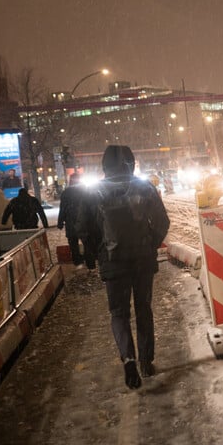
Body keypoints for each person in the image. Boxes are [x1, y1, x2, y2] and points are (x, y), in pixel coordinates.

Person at [85, 145, 169, 389]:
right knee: (143, 309)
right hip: (142, 259)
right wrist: (150, 243)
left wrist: (98, 253)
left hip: (113, 262)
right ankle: (146, 360)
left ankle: (128, 358)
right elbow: (163, 221)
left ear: (104, 166)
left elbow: (86, 229)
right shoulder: (144, 186)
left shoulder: (95, 191)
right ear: (131, 163)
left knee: (119, 313)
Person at [56, 173, 95, 269]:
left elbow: (63, 208)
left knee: (73, 243)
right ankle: (90, 263)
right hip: (85, 220)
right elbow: (92, 206)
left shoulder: (66, 192)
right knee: (87, 242)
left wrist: (60, 222)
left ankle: (78, 262)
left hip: (71, 221)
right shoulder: (85, 190)